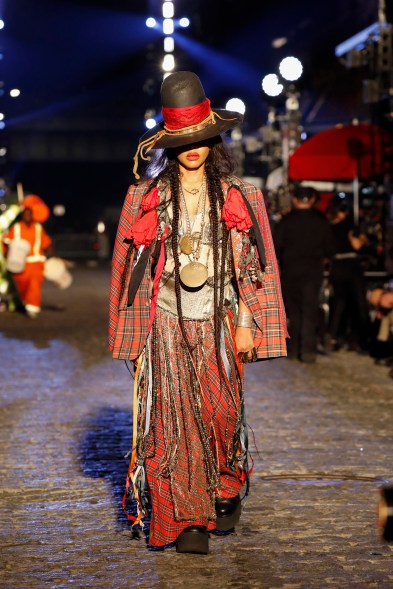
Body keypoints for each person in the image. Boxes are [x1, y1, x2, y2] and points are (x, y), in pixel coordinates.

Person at [108, 71, 288, 554]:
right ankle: (186, 520)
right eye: (184, 140)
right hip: (165, 324)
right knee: (173, 424)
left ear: (215, 138)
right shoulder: (143, 198)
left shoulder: (242, 195)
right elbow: (126, 275)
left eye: (202, 138)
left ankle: (226, 486)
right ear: (169, 143)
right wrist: (135, 339)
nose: (193, 148)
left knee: (220, 418)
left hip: (220, 324)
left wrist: (249, 326)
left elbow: (257, 269)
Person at [273, 186, 336, 363]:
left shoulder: (286, 221)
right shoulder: (321, 221)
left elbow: (275, 247)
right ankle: (308, 350)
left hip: (290, 271)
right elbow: (331, 248)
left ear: (295, 200)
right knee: (310, 311)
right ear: (313, 200)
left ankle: (293, 349)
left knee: (294, 311)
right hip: (312, 272)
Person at [326, 199, 370, 352]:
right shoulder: (350, 226)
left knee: (339, 303)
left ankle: (332, 336)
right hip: (352, 267)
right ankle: (360, 338)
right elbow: (357, 245)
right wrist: (363, 238)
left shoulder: (329, 228)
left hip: (337, 267)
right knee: (358, 303)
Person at [3, 200, 54, 318]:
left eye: (29, 213)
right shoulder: (15, 228)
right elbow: (5, 242)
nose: (27, 216)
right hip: (20, 264)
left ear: (32, 215)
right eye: (25, 214)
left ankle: (33, 308)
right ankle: (28, 303)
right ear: (22, 215)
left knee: (34, 284)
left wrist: (54, 257)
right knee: (23, 286)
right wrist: (7, 256)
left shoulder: (38, 228)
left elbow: (47, 243)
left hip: (36, 262)